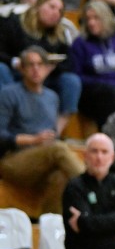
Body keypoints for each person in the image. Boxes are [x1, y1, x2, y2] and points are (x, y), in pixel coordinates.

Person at [0, 45, 83, 213]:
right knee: (59, 150)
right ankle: (94, 188)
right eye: (30, 65)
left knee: (60, 176)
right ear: (22, 69)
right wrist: (33, 140)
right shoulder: (8, 93)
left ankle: (50, 226)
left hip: (43, 158)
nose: (36, 69)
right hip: (13, 160)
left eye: (40, 64)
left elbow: (51, 134)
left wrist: (46, 141)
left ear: (48, 68)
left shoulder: (52, 97)